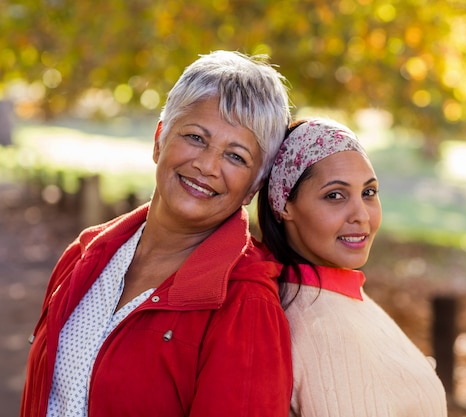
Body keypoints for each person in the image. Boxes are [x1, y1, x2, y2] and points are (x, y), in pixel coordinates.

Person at [21, 50, 293, 417]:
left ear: (252, 187)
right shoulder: (85, 255)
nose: (206, 165)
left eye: (236, 157)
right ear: (159, 138)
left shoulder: (245, 304)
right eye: (196, 137)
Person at [257, 118, 448, 417]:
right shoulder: (322, 331)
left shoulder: (339, 294)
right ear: (283, 206)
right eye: (335, 195)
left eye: (369, 192)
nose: (361, 215)